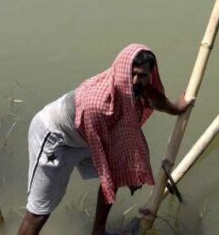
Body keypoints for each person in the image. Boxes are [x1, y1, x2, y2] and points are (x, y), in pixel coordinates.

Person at [17, 45, 192, 235]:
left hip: (85, 135)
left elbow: (153, 97)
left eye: (142, 76)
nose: (135, 81)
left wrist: (177, 108)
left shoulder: (136, 85)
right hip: (55, 138)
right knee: (40, 212)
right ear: (122, 70)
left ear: (150, 75)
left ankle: (98, 232)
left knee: (115, 174)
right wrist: (132, 171)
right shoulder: (98, 105)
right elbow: (108, 151)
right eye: (132, 74)